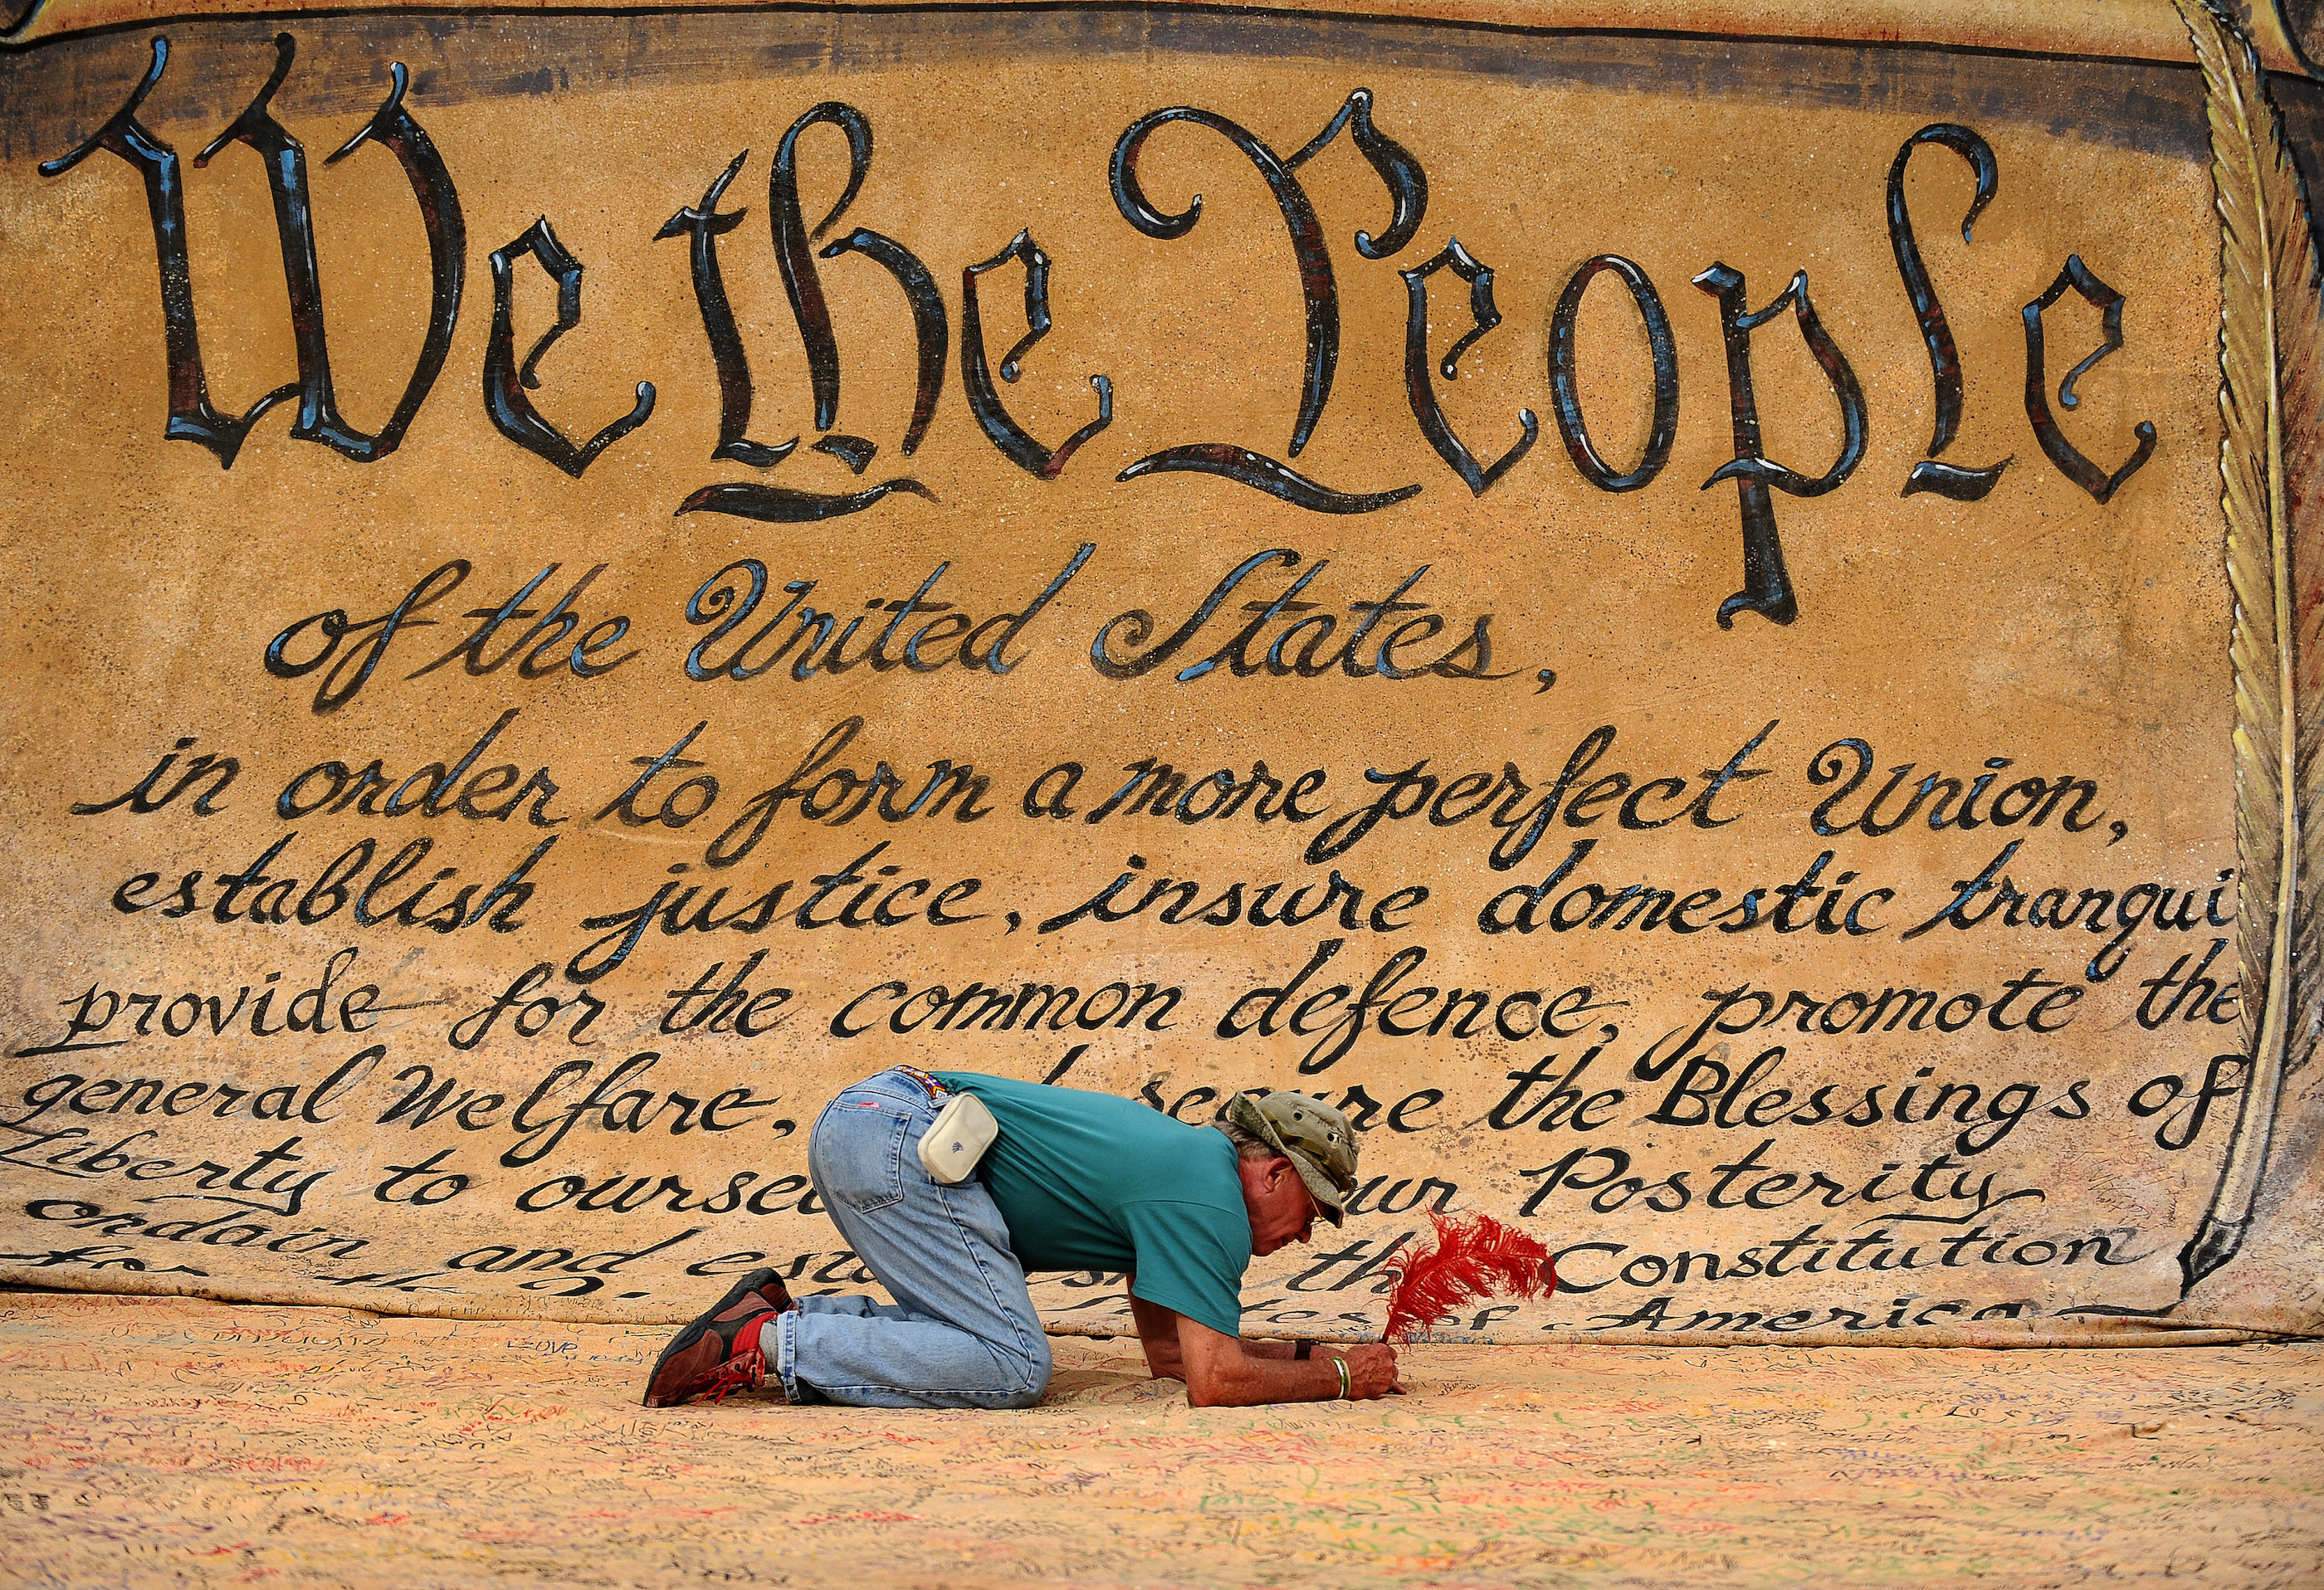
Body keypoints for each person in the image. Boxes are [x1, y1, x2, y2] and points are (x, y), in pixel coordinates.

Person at [641, 1065, 1403, 1409]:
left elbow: (1173, 1358)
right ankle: (770, 1342)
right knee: (1011, 1367)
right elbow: (1216, 1382)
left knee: (974, 1340)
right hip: (903, 1138)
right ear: (1272, 1173)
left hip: (872, 1122)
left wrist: (1319, 1357)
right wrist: (1342, 1381)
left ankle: (777, 1318)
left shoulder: (1184, 1176)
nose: (1309, 1234)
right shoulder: (1209, 1198)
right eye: (1317, 1206)